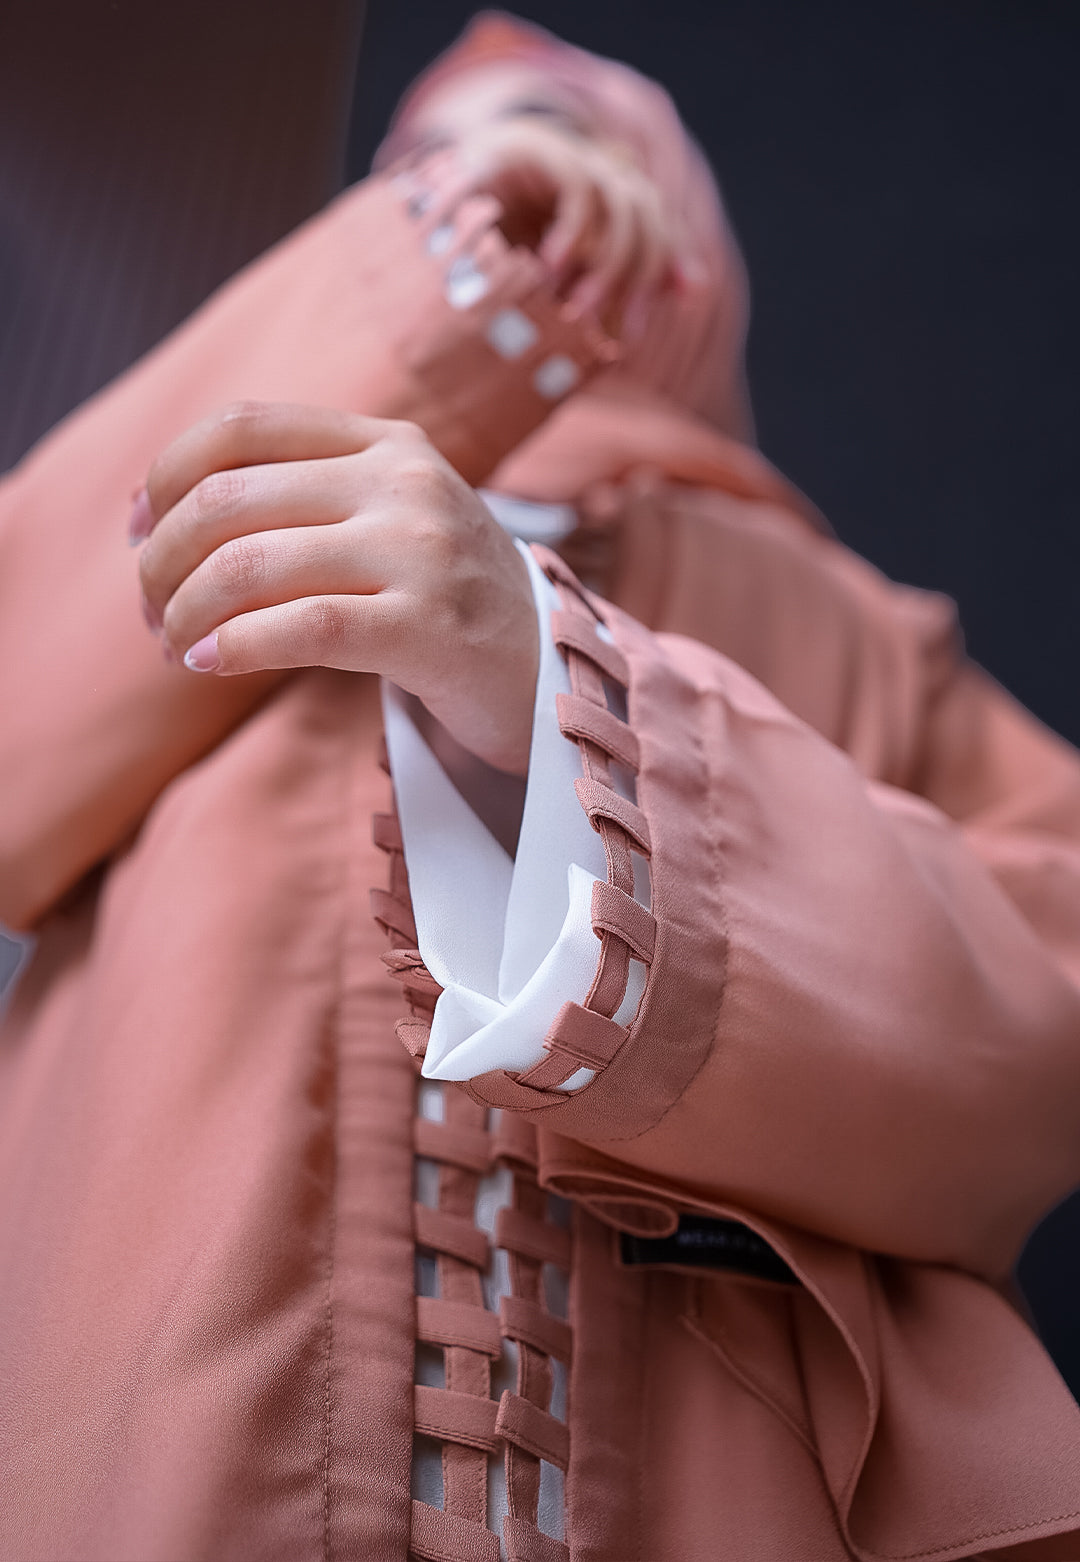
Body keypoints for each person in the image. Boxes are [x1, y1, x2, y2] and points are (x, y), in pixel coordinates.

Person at [3, 12, 1080, 1560]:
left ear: (696, 261)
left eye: (575, 145)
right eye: (423, 178)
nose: (501, 180)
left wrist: (555, 677)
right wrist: (427, 289)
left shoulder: (861, 635)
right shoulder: (179, 547)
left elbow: (1042, 1007)